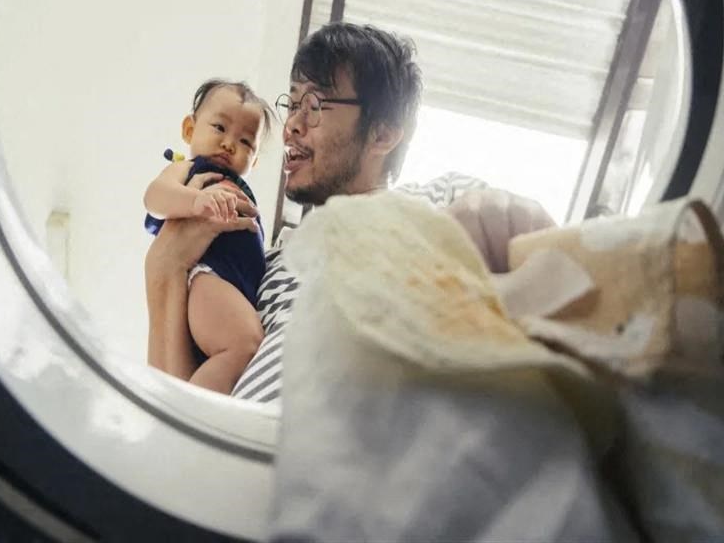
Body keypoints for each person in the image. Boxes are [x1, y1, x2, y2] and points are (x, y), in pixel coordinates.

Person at [144, 23, 554, 402]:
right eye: (293, 104)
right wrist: (163, 267)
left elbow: (545, 258)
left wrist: (478, 229)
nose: (291, 127)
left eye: (315, 105)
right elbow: (177, 408)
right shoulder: (262, 267)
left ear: (383, 133)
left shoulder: (438, 199)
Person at [143, 79, 275, 394]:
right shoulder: (189, 169)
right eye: (219, 127)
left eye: (246, 142)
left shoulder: (238, 186)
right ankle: (192, 410)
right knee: (243, 345)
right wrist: (195, 202)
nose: (229, 144)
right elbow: (154, 197)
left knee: (235, 352)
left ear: (255, 161)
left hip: (234, 288)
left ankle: (195, 398)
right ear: (189, 129)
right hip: (206, 276)